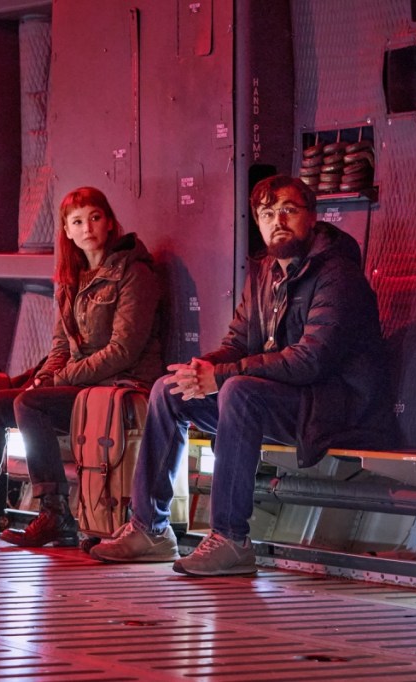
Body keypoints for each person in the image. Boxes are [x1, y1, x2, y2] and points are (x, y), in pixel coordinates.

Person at [90, 174, 397, 576]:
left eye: (288, 210)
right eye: (267, 214)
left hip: (334, 407)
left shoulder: (337, 275)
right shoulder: (266, 272)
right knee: (169, 389)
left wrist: (222, 376)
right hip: (284, 401)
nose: (277, 221)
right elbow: (236, 343)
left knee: (238, 390)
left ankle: (231, 539)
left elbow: (311, 360)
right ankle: (150, 529)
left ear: (312, 217)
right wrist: (201, 371)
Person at [0, 186, 164, 548]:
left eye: (95, 218)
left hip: (120, 386)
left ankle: (55, 513)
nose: (87, 228)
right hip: (83, 387)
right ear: (67, 231)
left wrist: (58, 380)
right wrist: (45, 377)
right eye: (77, 222)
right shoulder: (71, 279)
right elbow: (61, 347)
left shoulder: (134, 272)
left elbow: (123, 351)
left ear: (109, 223)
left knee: (31, 404)